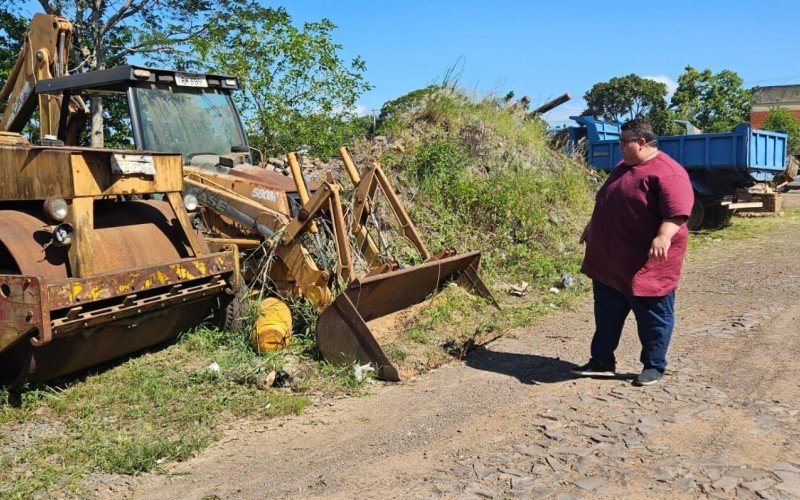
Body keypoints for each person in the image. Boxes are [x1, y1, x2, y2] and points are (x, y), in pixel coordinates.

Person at [572, 117, 694, 386]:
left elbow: (678, 214)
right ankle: (602, 361)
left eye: (623, 142)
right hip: (610, 262)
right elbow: (608, 199)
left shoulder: (668, 172)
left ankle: (654, 364)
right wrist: (592, 226)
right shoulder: (623, 167)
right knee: (606, 316)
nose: (619, 147)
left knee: (653, 318)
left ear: (642, 142)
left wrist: (663, 236)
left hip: (646, 265)